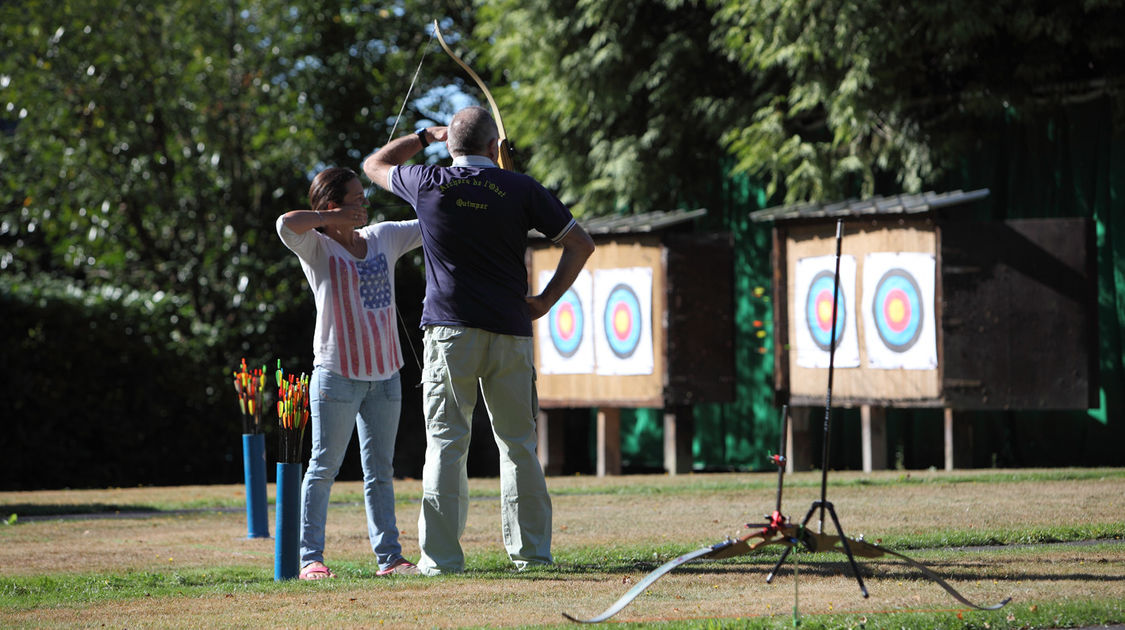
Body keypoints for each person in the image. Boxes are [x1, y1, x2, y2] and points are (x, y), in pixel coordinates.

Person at [363, 107, 595, 575]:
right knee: (518, 445)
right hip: (510, 329)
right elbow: (580, 244)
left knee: (447, 443)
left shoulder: (427, 181)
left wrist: (424, 135)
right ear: (496, 147)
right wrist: (546, 301)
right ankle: (532, 555)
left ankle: (441, 560)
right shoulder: (521, 187)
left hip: (450, 333)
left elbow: (373, 165)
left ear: (450, 146)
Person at [276, 166, 423, 579]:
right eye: (356, 199)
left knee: (380, 470)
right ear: (330, 205)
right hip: (337, 374)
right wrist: (330, 221)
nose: (364, 205)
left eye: (363, 198)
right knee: (323, 467)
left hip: (386, 375)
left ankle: (390, 558)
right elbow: (285, 223)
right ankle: (310, 559)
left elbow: (431, 217)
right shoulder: (316, 247)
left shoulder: (382, 237)